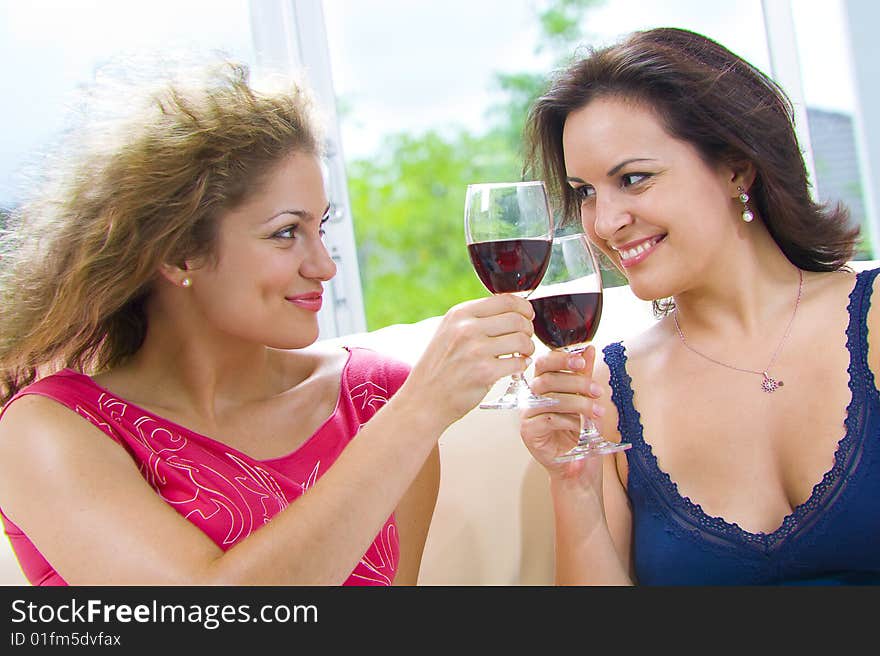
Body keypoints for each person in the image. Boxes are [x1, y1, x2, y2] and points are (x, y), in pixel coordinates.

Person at [0, 59, 537, 585]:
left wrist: (410, 408)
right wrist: (419, 412)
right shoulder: (47, 430)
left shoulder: (375, 398)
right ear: (179, 253)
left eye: (321, 227)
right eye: (286, 232)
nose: (323, 265)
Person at [519, 27, 880, 585]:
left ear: (737, 166)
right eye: (586, 192)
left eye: (633, 179)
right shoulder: (604, 396)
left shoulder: (874, 320)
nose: (605, 223)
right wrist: (577, 486)